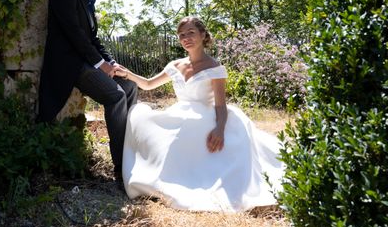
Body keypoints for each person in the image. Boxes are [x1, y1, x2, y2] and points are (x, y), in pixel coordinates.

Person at [114, 16, 284, 212]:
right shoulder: (175, 65)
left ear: (203, 35)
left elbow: (221, 105)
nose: (186, 38)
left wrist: (220, 129)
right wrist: (127, 73)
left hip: (207, 116)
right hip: (181, 113)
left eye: (191, 33)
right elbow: (148, 84)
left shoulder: (215, 68)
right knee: (139, 115)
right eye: (181, 35)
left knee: (198, 133)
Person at [37, 0, 137, 181]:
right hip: (70, 65)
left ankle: (132, 154)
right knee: (116, 95)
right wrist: (101, 64)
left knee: (130, 87)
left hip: (86, 62)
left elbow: (94, 39)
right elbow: (76, 37)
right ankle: (121, 168)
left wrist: (111, 62)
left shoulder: (88, 0)